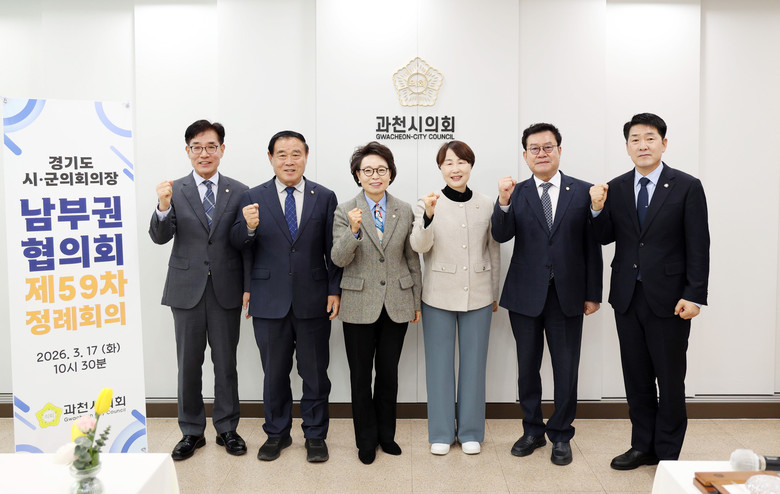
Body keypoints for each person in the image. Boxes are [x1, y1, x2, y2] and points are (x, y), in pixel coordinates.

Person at [590, 113, 709, 470]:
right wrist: (597, 209)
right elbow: (604, 237)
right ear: (627, 147)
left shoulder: (686, 186)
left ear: (663, 143)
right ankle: (642, 445)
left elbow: (698, 245)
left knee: (670, 379)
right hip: (627, 298)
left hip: (672, 300)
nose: (643, 145)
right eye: (635, 140)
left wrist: (695, 295)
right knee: (637, 377)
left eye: (650, 138)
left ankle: (668, 452)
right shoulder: (616, 187)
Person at [491, 122, 602, 466]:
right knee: (527, 367)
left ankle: (562, 434)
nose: (541, 153)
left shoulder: (582, 192)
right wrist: (503, 202)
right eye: (534, 148)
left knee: (566, 369)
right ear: (525, 155)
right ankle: (532, 430)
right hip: (525, 294)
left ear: (559, 150)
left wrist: (593, 293)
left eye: (548, 147)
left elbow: (592, 246)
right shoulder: (517, 192)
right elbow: (501, 234)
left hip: (568, 295)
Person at [231, 130, 341, 463]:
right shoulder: (252, 196)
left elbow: (333, 250)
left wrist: (334, 289)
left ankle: (315, 435)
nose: (289, 161)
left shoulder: (325, 196)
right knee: (274, 374)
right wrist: (248, 227)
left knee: (315, 373)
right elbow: (238, 245)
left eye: (296, 154)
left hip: (314, 298)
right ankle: (277, 433)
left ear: (306, 156)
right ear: (270, 158)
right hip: (268, 299)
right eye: (282, 154)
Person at [149, 119, 249, 461]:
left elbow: (244, 242)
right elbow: (160, 237)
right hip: (186, 289)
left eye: (211, 146)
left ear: (222, 149)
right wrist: (163, 206)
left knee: (226, 364)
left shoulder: (240, 191)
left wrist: (248, 286)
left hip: (226, 288)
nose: (204, 153)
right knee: (188, 364)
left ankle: (227, 429)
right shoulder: (173, 190)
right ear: (188, 151)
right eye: (197, 147)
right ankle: (191, 431)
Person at [331, 142, 422, 465]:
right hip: (358, 304)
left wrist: (416, 300)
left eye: (381, 170)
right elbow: (338, 258)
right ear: (357, 175)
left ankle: (387, 435)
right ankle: (366, 440)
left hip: (397, 302)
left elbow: (412, 259)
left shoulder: (404, 209)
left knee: (388, 375)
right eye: (367, 170)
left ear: (390, 174)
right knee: (360, 377)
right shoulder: (345, 210)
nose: (375, 176)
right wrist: (354, 231)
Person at [410, 140, 500, 456]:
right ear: (440, 168)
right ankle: (441, 432)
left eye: (461, 162)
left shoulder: (487, 203)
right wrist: (428, 215)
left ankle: (471, 431)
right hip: (437, 295)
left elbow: (493, 249)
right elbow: (419, 246)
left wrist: (494, 292)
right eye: (448, 163)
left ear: (470, 166)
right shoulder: (426, 203)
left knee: (475, 364)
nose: (455, 168)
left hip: (479, 294)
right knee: (438, 365)